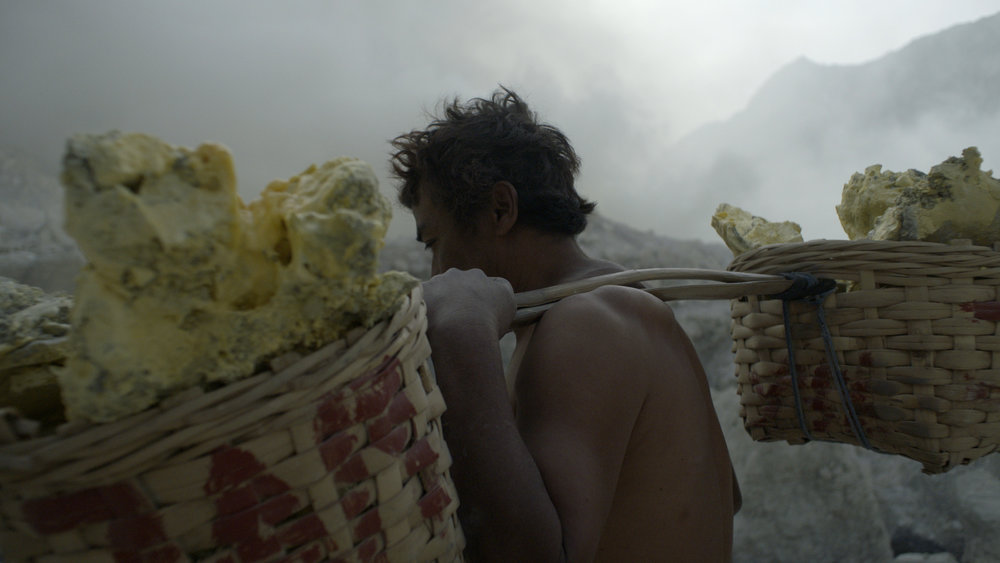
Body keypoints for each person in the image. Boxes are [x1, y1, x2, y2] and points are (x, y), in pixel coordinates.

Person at [390, 87, 740, 562]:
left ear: (500, 209)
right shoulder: (629, 301)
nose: (436, 272)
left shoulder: (586, 323)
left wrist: (460, 334)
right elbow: (721, 498)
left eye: (434, 241)